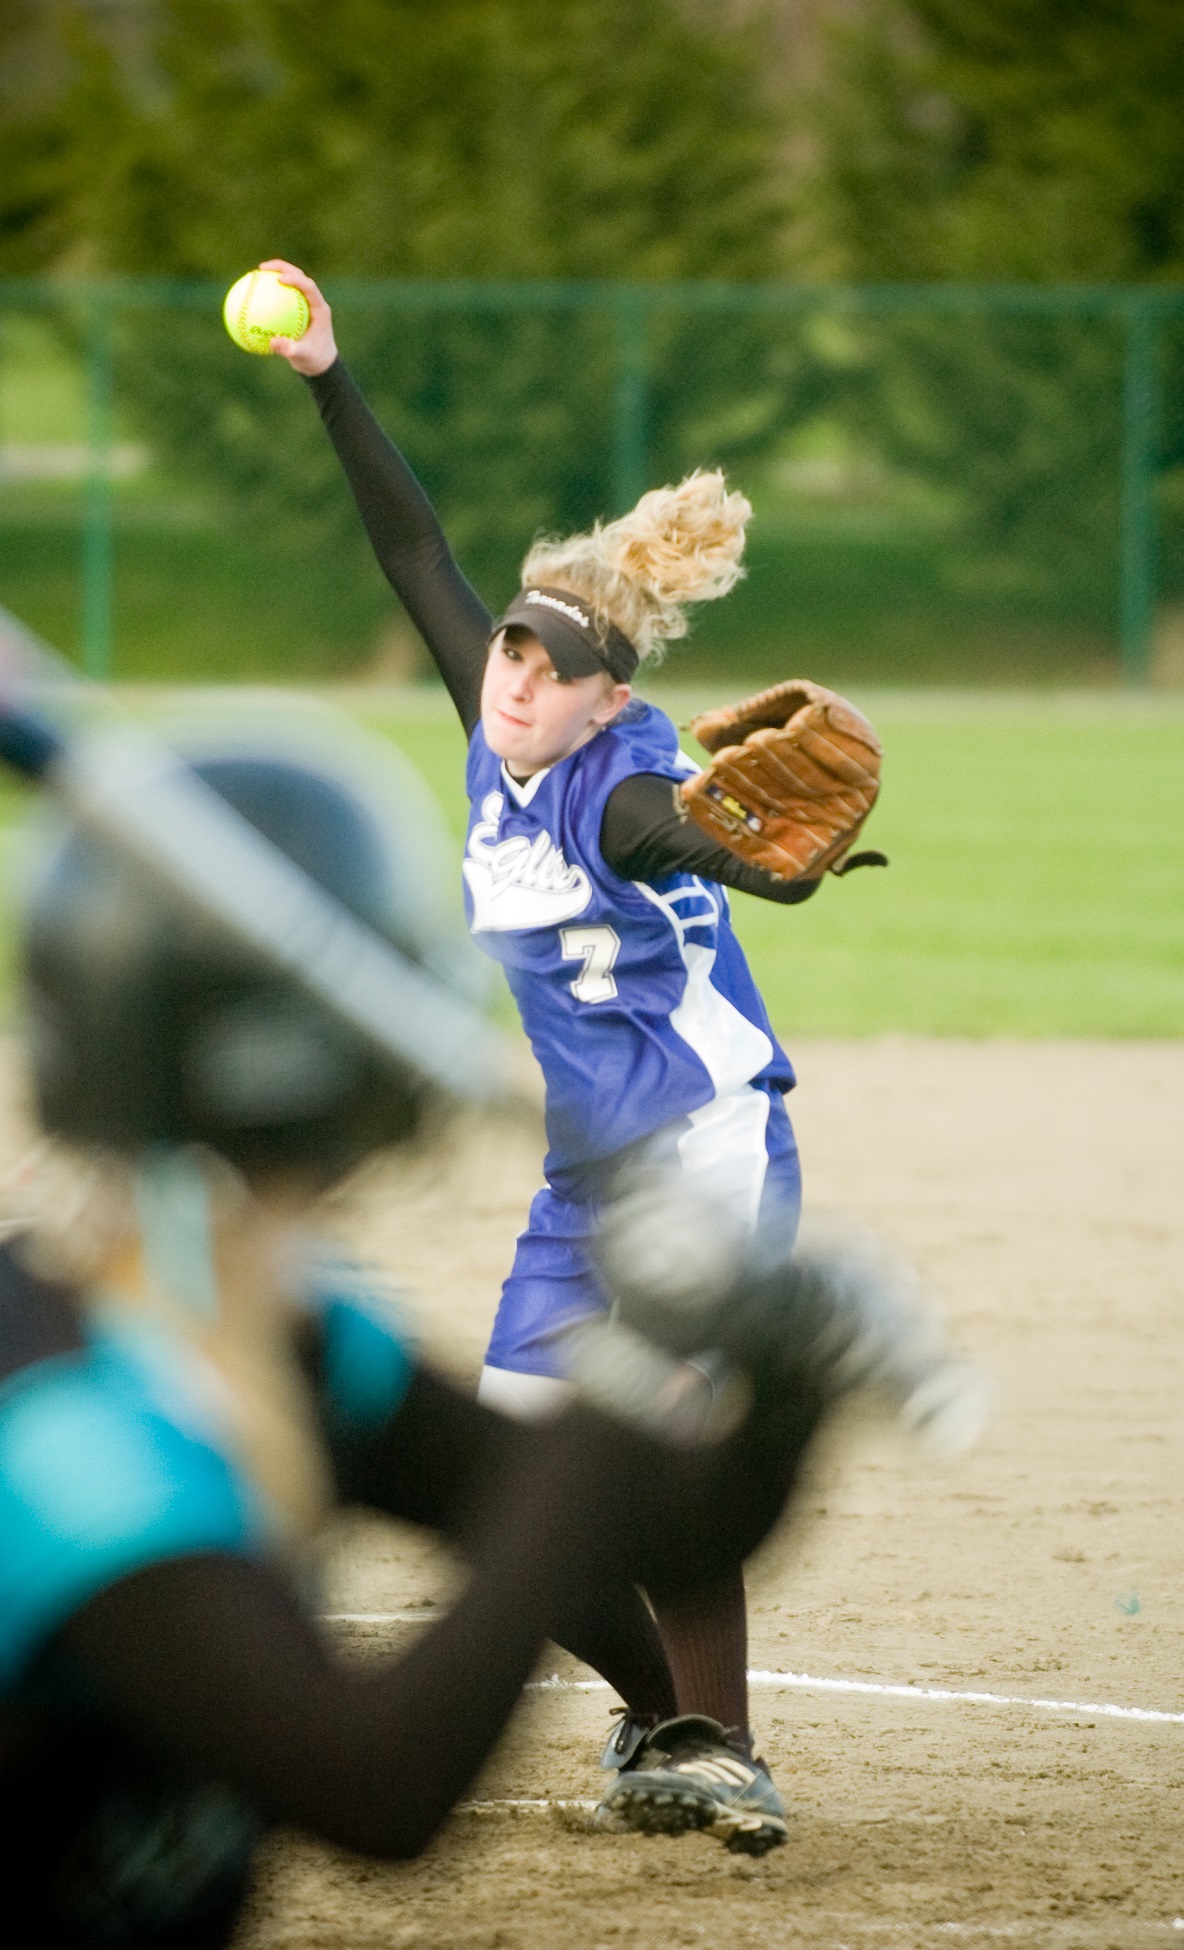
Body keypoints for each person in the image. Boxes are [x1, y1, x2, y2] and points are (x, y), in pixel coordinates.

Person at [0, 728, 836, 1946]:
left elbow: (678, 1522)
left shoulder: (276, 1330)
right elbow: (375, 1789)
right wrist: (605, 1417)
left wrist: (790, 1371)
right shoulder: (68, 1439)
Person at [262, 260, 875, 1852]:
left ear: (613, 700)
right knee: (507, 1484)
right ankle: (662, 1716)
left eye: (548, 671)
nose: (514, 680)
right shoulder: (496, 719)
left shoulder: (613, 784)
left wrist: (754, 862)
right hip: (587, 1169)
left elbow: (670, 829)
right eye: (510, 657)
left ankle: (722, 1742)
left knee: (654, 1436)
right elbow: (413, 545)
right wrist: (331, 370)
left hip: (705, 1144)